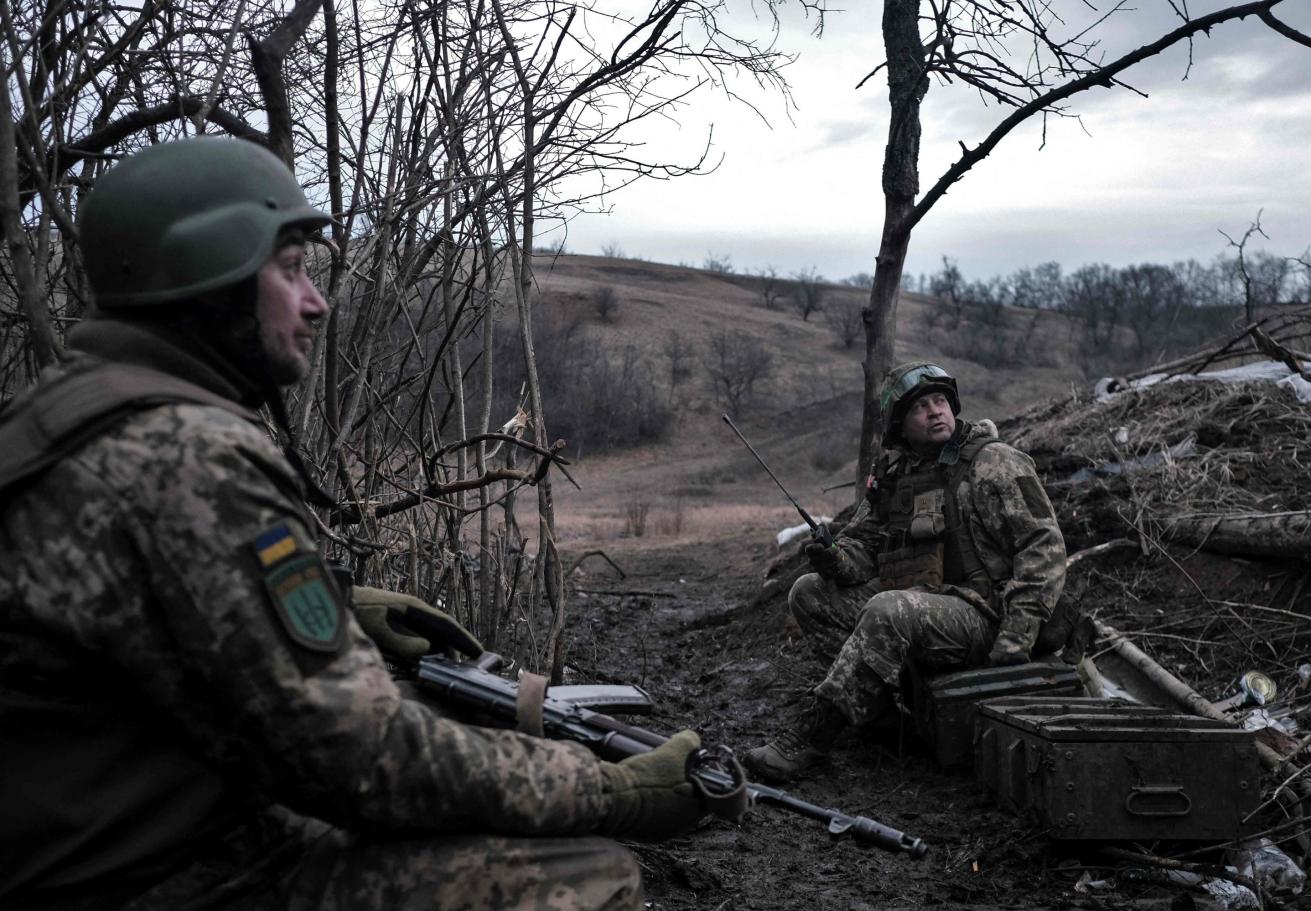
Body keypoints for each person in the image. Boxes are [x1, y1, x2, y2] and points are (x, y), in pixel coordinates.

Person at [0, 137, 720, 911]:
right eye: (290, 268)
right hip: (147, 877)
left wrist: (341, 608)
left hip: (90, 842)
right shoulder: (189, 454)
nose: (317, 301)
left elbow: (156, 620)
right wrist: (611, 787)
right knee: (586, 872)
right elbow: (368, 760)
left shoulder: (58, 414)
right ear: (206, 272)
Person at [743, 363, 1067, 782]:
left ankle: (812, 736)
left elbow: (1044, 546)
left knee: (889, 609)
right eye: (921, 407)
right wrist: (835, 558)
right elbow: (865, 549)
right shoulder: (895, 477)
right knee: (808, 592)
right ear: (900, 425)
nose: (936, 412)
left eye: (940, 401)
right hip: (919, 602)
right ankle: (879, 719)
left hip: (986, 614)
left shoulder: (994, 462)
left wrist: (1016, 636)